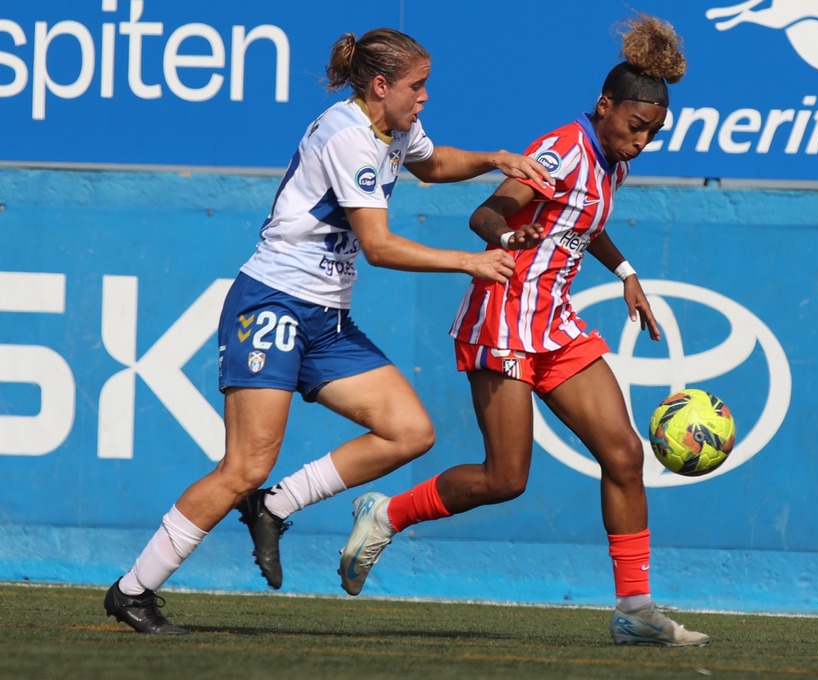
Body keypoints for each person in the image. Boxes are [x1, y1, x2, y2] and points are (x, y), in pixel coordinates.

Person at [103, 27, 552, 634]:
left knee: (409, 432)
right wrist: (469, 260)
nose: (424, 98)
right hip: (273, 305)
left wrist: (494, 159)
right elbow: (378, 245)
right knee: (243, 465)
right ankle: (133, 590)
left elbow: (435, 161)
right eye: (417, 87)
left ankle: (275, 507)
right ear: (380, 85)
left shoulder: (390, 127)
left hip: (324, 319)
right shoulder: (348, 136)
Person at [337, 15, 710, 647]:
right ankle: (386, 514)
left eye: (652, 132)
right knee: (506, 478)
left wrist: (625, 271)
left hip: (557, 324)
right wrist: (511, 235)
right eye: (634, 126)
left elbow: (581, 222)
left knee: (623, 453)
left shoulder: (611, 160)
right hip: (503, 319)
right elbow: (485, 213)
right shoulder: (563, 146)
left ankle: (634, 609)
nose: (641, 141)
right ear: (604, 106)